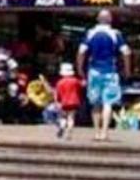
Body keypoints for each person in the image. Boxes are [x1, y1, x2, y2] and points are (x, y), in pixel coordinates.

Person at [78, 9, 131, 142]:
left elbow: (81, 51)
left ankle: (96, 132)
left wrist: (80, 69)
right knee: (108, 103)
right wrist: (127, 69)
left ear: (97, 19)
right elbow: (126, 52)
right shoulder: (115, 34)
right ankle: (105, 132)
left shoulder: (90, 33)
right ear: (110, 20)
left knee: (95, 103)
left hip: (94, 71)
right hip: (110, 71)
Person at [54, 63, 83, 141]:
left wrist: (57, 102)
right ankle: (69, 133)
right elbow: (81, 87)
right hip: (74, 101)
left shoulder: (60, 82)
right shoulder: (75, 81)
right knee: (71, 118)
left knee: (63, 117)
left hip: (64, 102)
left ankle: (62, 127)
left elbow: (57, 93)